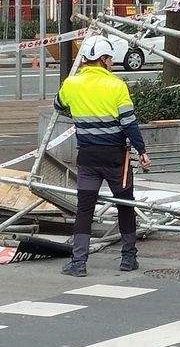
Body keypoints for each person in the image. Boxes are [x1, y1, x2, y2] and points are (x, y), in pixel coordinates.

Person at [54, 36, 151, 277]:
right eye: (109, 59)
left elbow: (58, 105)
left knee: (84, 209)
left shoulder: (71, 84)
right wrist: (142, 150)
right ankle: (128, 258)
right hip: (116, 157)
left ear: (86, 59)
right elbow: (129, 123)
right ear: (104, 59)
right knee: (125, 204)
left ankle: (78, 262)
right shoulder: (117, 86)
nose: (111, 63)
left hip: (87, 156)